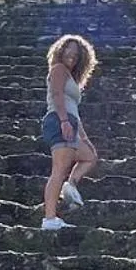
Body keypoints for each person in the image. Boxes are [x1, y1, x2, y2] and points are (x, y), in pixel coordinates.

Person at [39, 33, 100, 230]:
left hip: (70, 121)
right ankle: (49, 219)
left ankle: (71, 185)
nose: (71, 56)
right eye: (68, 51)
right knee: (59, 169)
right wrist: (64, 121)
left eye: (76, 55)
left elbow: (73, 107)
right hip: (59, 119)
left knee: (89, 156)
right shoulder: (58, 69)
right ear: (60, 51)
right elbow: (57, 95)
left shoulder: (71, 77)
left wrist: (84, 137)